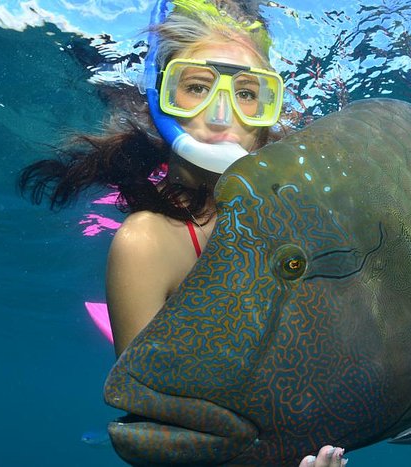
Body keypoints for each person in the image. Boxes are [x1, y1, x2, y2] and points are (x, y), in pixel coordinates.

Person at [18, 0, 347, 465]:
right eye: (196, 87)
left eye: (249, 94)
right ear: (159, 98)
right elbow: (164, 436)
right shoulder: (146, 242)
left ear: (267, 113)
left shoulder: (298, 214)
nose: (221, 115)